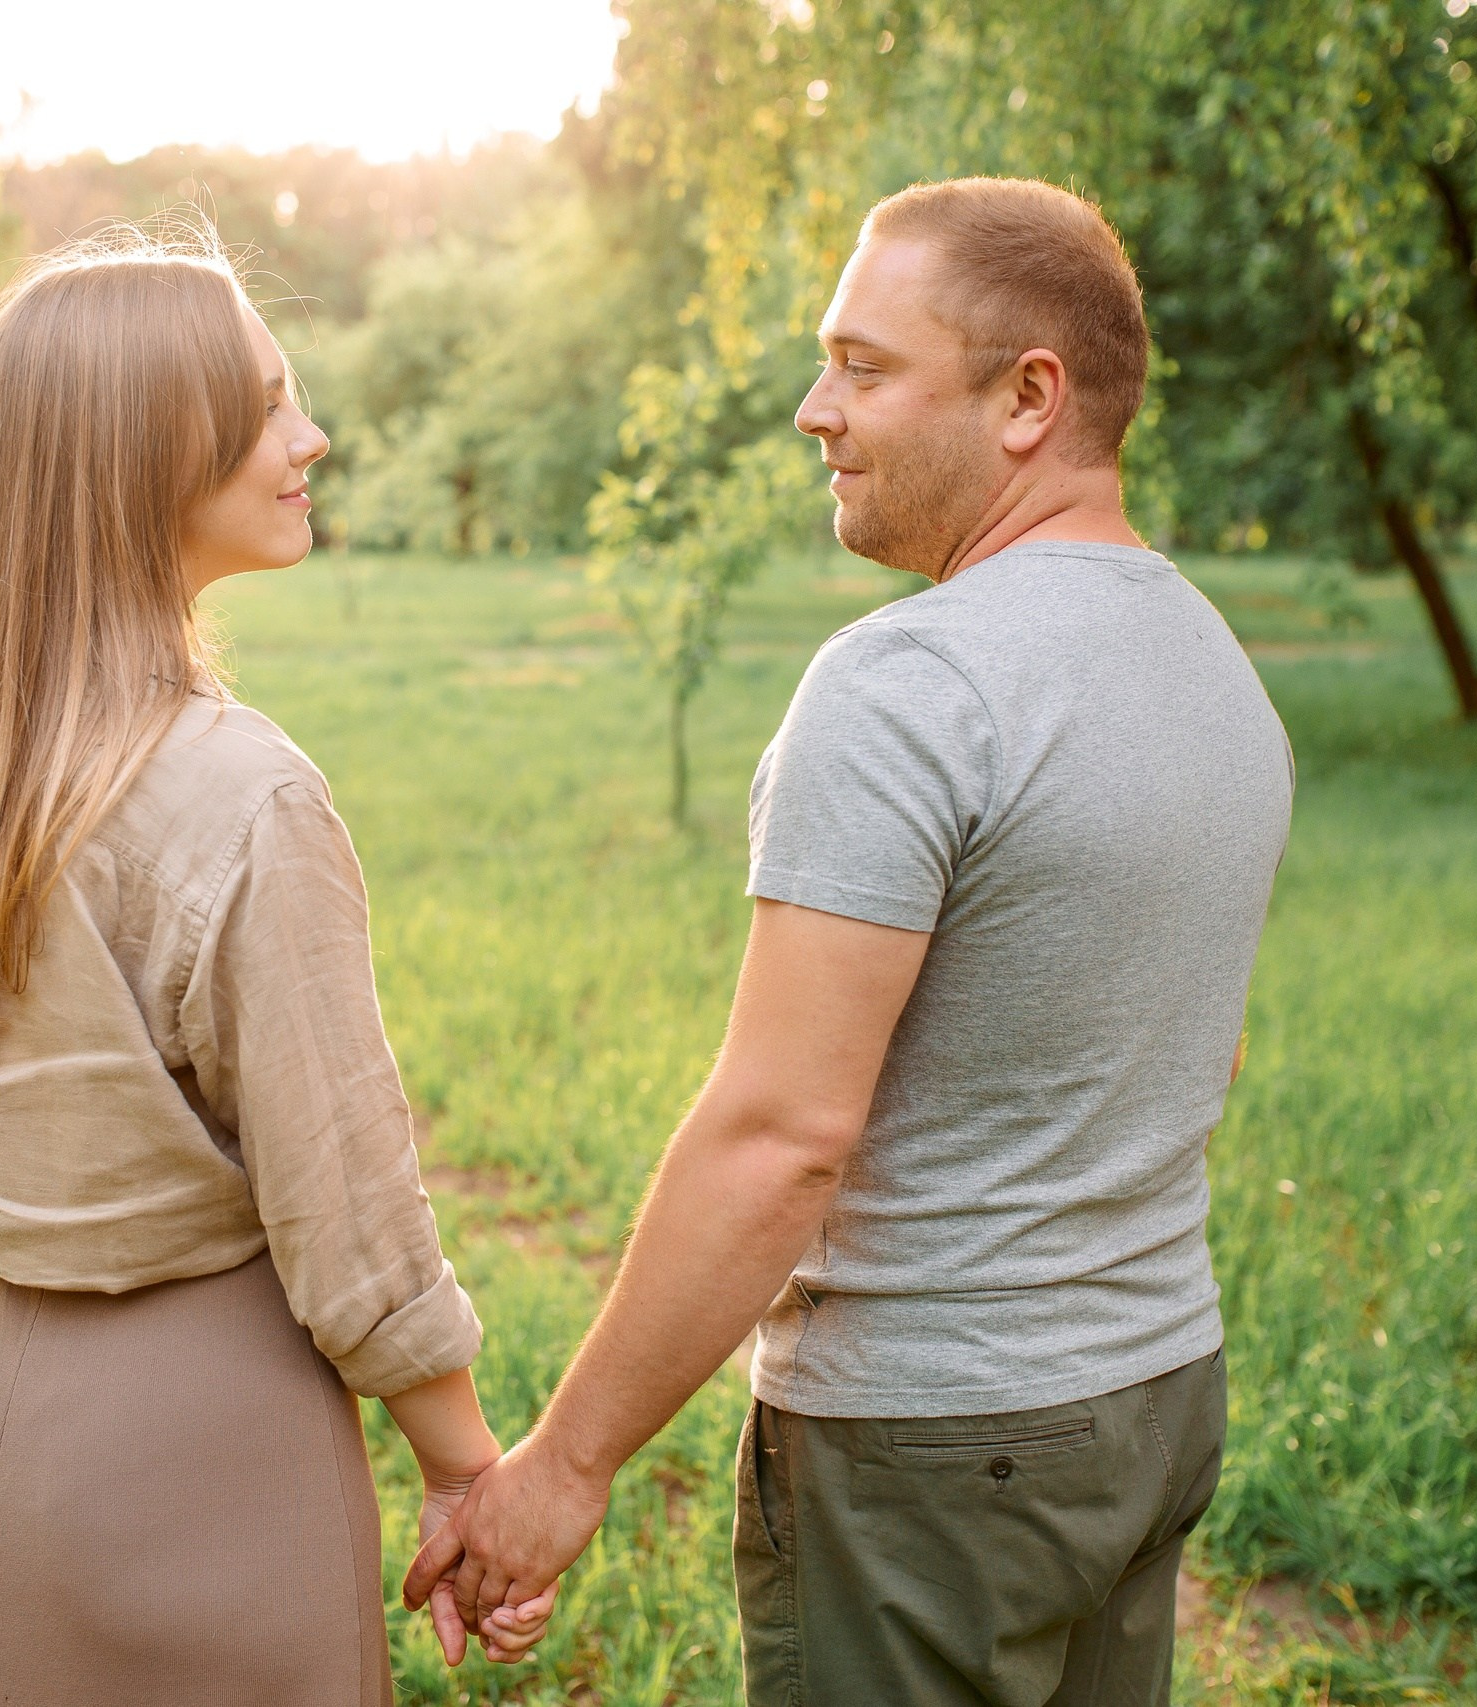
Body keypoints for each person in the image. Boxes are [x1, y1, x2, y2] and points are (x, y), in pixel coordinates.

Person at [409, 177, 1295, 1706]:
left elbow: (783, 1139)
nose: (816, 409)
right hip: (1154, 1394)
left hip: (936, 1455)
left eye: (864, 365)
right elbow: (1192, 1046)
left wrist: (565, 1465)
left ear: (1029, 398)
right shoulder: (1209, 659)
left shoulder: (908, 687)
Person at [0, 228, 546, 1706]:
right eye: (269, 405)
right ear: (149, 453)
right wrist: (470, 1472)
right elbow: (349, 1210)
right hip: (208, 1450)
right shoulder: (244, 793)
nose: (311, 436)